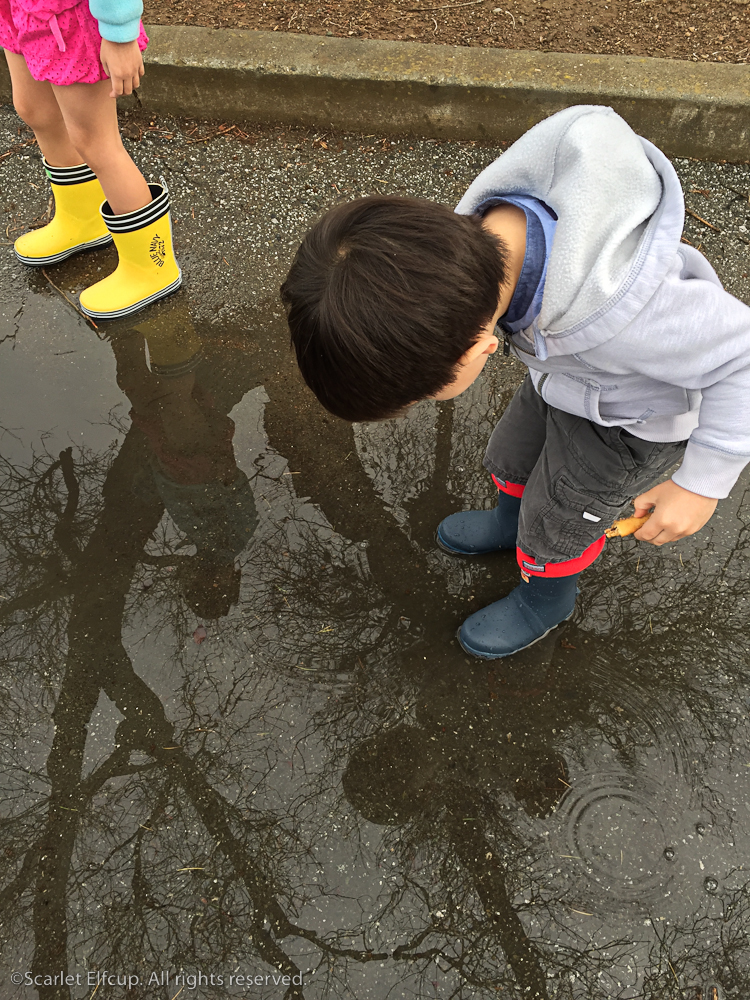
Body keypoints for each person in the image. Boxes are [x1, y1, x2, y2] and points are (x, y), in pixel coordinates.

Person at [280, 104, 750, 659]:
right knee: (513, 454)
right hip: (570, 373)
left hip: (631, 421)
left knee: (563, 514)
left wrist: (701, 484)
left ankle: (546, 597)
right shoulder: (468, 250)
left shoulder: (632, 312)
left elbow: (741, 357)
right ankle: (512, 522)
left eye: (425, 393)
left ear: (478, 347)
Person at [1, 0, 181, 319]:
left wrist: (119, 32)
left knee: (95, 141)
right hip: (19, 10)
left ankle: (152, 267)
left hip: (68, 17)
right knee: (35, 110)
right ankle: (82, 218)